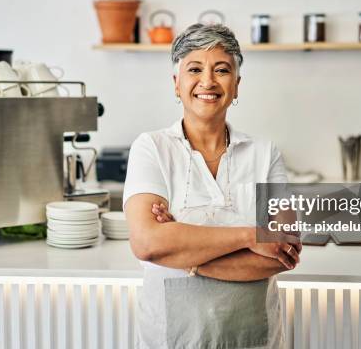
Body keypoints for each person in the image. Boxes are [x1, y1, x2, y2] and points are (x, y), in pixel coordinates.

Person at [123, 23, 301, 349]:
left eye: (221, 69)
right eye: (194, 69)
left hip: (255, 339)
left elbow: (281, 253)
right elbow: (148, 243)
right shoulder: (151, 148)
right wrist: (251, 236)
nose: (208, 81)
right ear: (176, 84)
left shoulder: (265, 154)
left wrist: (181, 250)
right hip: (171, 340)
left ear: (236, 86)